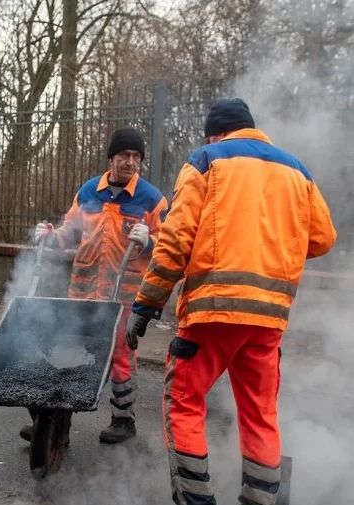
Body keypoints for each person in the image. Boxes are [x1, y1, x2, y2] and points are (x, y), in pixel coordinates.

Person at [125, 98, 337, 505]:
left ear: (216, 133)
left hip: (212, 313)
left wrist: (147, 304)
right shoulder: (297, 170)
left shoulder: (207, 159)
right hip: (269, 320)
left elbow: (174, 238)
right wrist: (275, 246)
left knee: (184, 404)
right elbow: (323, 238)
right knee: (260, 415)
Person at [27, 126, 169, 444]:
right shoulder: (89, 192)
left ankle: (123, 420)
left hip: (124, 298)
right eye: (124, 155)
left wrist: (150, 241)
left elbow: (172, 244)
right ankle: (56, 420)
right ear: (111, 158)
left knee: (121, 355)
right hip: (82, 292)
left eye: (136, 157)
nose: (130, 162)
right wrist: (49, 237)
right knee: (70, 350)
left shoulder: (151, 199)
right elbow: (71, 231)